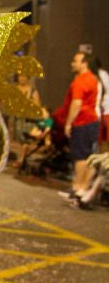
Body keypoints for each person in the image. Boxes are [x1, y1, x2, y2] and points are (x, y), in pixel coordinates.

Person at [57, 50, 100, 201]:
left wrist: (68, 123)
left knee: (80, 156)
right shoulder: (94, 79)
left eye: (76, 61)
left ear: (84, 63)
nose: (72, 63)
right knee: (88, 155)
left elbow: (76, 103)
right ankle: (81, 188)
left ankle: (77, 188)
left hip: (82, 122)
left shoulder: (81, 81)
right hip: (92, 122)